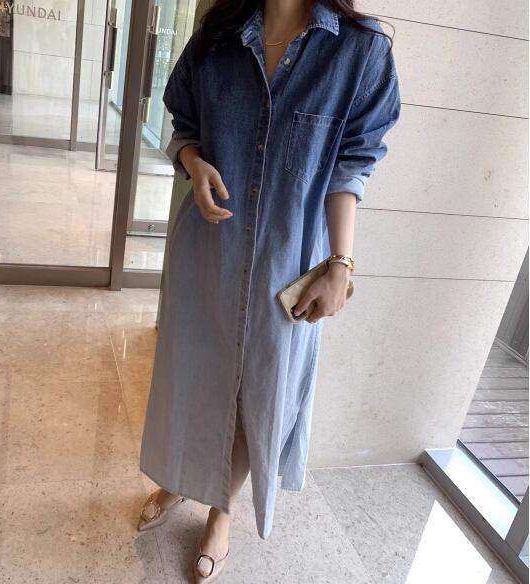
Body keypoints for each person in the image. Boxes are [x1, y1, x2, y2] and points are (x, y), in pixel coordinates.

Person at [138, 0, 401, 581]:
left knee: (257, 390)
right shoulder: (217, 35)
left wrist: (341, 263)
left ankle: (221, 512)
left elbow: (352, 164)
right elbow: (184, 123)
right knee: (195, 374)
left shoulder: (360, 51)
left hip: (289, 259)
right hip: (210, 249)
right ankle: (180, 479)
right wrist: (192, 162)